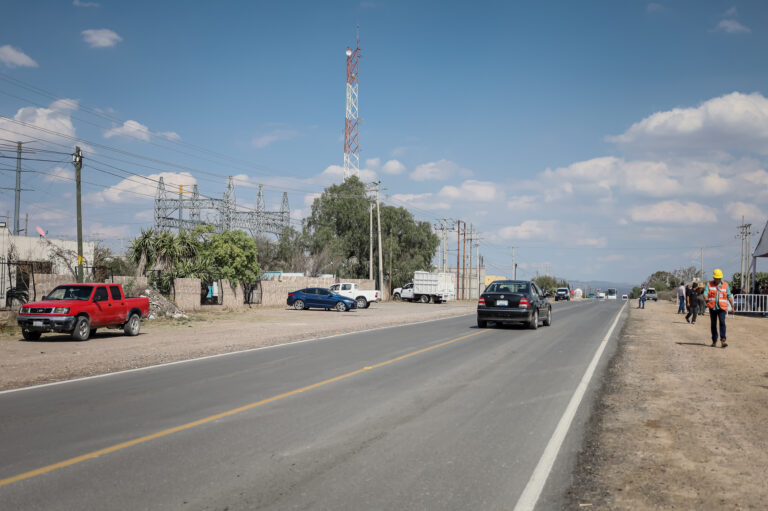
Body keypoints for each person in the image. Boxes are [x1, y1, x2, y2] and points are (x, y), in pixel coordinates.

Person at [706, 269, 735, 348]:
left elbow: (729, 296)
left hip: (722, 308)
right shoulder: (709, 284)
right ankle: (714, 340)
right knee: (713, 324)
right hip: (712, 307)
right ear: (714, 277)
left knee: (722, 322)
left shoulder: (725, 285)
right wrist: (706, 299)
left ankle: (723, 340)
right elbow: (705, 293)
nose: (718, 280)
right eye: (716, 278)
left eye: (719, 278)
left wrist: (732, 307)